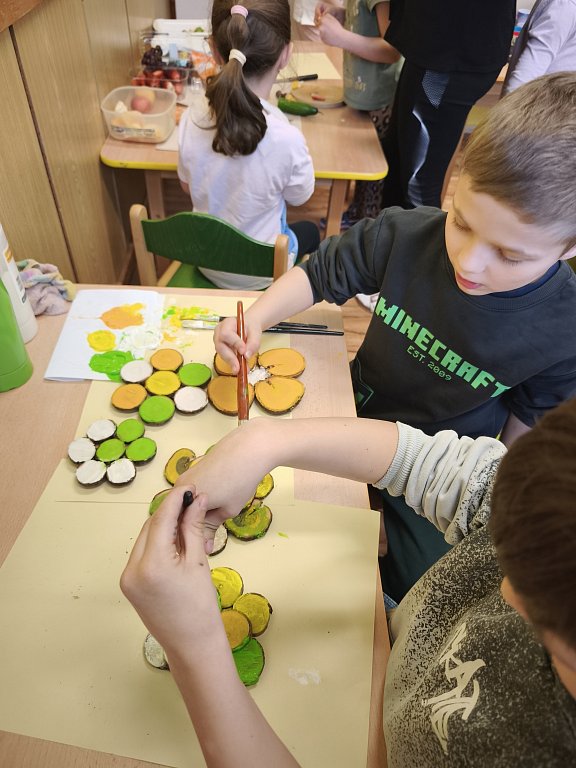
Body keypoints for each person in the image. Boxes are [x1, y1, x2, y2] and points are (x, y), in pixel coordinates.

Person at [212, 72, 576, 601]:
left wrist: (477, 514)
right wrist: (254, 320)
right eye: (461, 222)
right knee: (281, 528)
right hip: (353, 412)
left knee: (415, 588)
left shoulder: (564, 327)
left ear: (569, 246)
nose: (468, 262)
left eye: (510, 255)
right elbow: (324, 271)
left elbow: (515, 450)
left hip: (438, 469)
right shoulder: (408, 234)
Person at [121, 399, 576, 766]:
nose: (505, 592)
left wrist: (196, 648)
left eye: (554, 643)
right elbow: (444, 469)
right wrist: (264, 440)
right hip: (390, 651)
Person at [177, 0, 320, 291]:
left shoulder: (192, 118)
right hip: (262, 272)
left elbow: (186, 186)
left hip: (207, 260)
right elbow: (300, 197)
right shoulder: (286, 137)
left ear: (214, 49)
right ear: (286, 54)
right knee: (311, 231)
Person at [380, 0, 516, 209]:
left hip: (446, 57)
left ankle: (418, 231)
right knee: (398, 162)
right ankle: (390, 230)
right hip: (431, 47)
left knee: (418, 185)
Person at [314, 0, 401, 227]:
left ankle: (366, 227)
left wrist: (341, 37)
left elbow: (392, 49)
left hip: (379, 96)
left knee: (371, 175)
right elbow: (367, 20)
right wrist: (342, 14)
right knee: (359, 166)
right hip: (361, 91)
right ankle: (356, 215)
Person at [502, 0, 576, 95]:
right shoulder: (565, 6)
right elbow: (527, 73)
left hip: (551, 98)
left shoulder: (565, 6)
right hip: (547, 98)